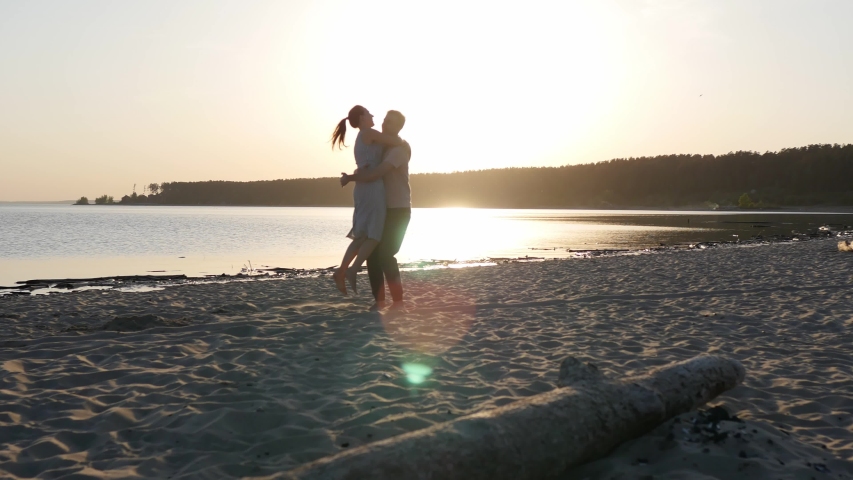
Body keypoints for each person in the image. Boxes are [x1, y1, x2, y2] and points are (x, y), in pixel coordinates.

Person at [330, 105, 405, 295]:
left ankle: (342, 271)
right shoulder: (370, 133)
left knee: (362, 235)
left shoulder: (362, 137)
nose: (373, 116)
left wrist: (352, 177)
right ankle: (352, 270)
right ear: (362, 118)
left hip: (363, 189)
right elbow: (395, 141)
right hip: (372, 188)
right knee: (374, 236)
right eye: (369, 113)